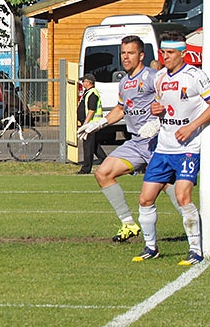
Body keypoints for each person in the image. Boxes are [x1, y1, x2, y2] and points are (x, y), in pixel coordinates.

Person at [77, 36, 183, 242]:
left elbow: (173, 100)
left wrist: (159, 123)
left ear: (141, 55)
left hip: (157, 142)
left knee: (172, 188)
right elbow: (121, 108)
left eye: (131, 53)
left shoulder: (154, 76)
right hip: (136, 143)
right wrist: (98, 124)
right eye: (123, 53)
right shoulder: (124, 82)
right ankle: (128, 224)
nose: (126, 57)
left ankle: (197, 229)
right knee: (103, 173)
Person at [130, 31, 210, 265]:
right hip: (164, 147)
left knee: (182, 196)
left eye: (170, 52)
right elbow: (159, 105)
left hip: (188, 148)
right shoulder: (159, 77)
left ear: (182, 53)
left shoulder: (195, 76)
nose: (165, 56)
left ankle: (195, 250)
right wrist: (156, 110)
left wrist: (192, 127)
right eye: (163, 52)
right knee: (145, 199)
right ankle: (151, 247)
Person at [76, 73, 106, 175]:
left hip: (91, 124)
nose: (82, 83)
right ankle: (105, 161)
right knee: (94, 146)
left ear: (89, 82)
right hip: (90, 124)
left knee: (88, 146)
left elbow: (91, 110)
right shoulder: (88, 92)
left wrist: (85, 124)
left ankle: (86, 168)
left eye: (83, 81)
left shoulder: (93, 93)